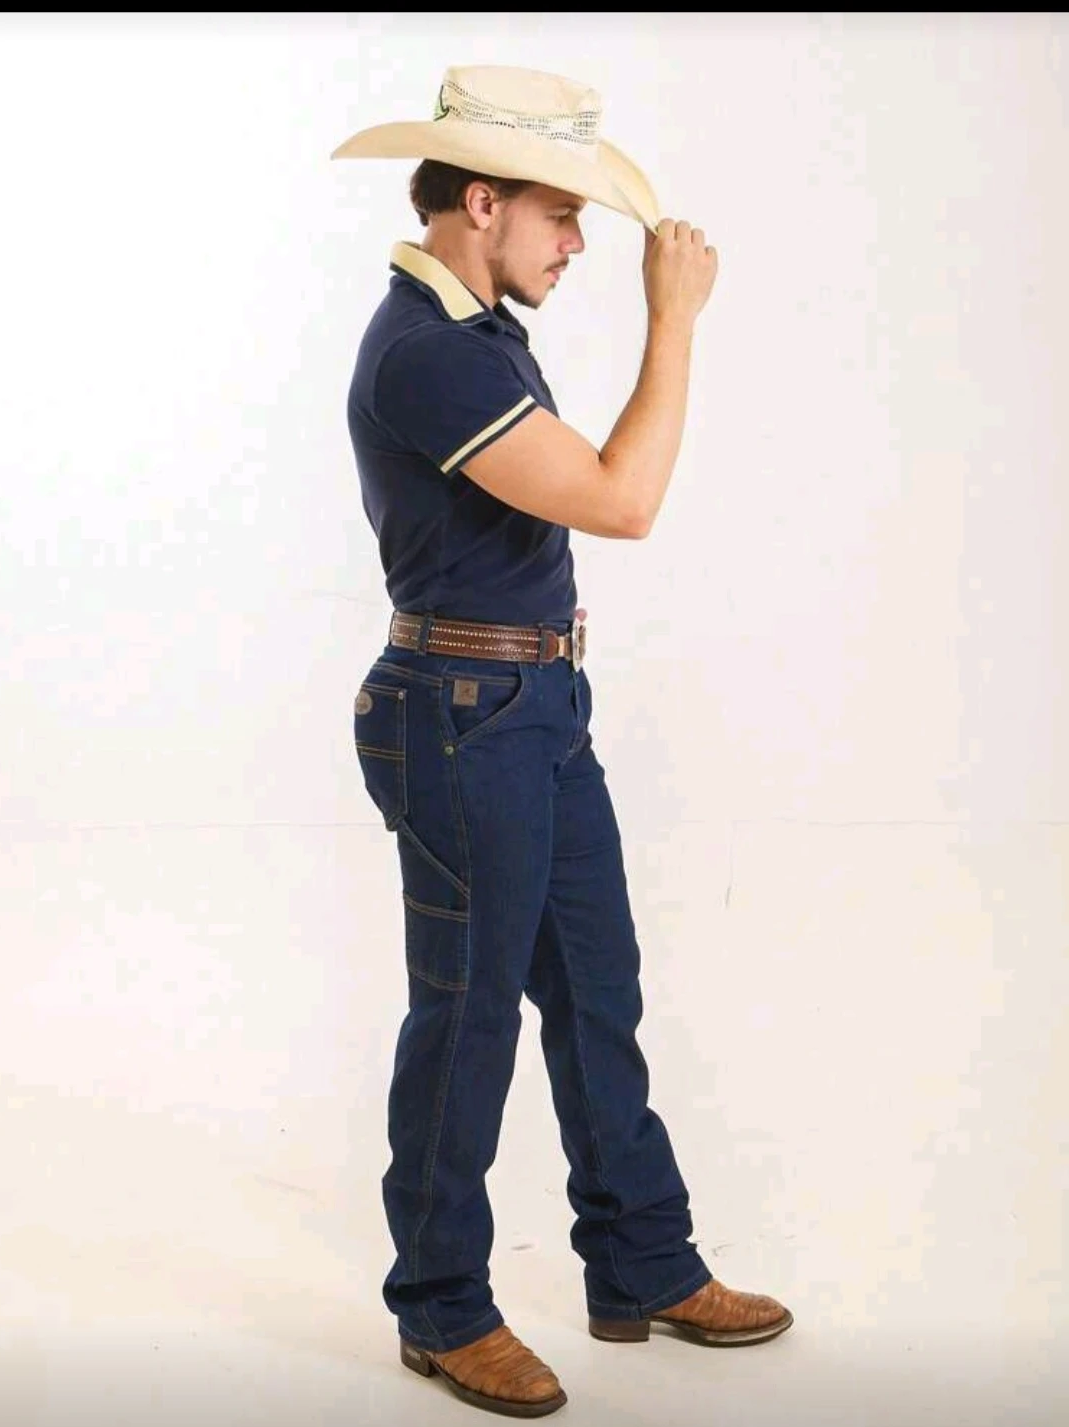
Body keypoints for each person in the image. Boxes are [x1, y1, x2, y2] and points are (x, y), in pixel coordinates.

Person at [333, 64, 793, 1418]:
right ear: (483, 202)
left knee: (596, 991)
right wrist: (676, 320)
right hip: (459, 717)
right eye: (562, 215)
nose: (581, 246)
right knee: (468, 1014)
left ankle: (642, 1262)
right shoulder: (426, 352)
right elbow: (621, 501)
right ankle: (442, 1308)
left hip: (533, 706)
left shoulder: (476, 329)